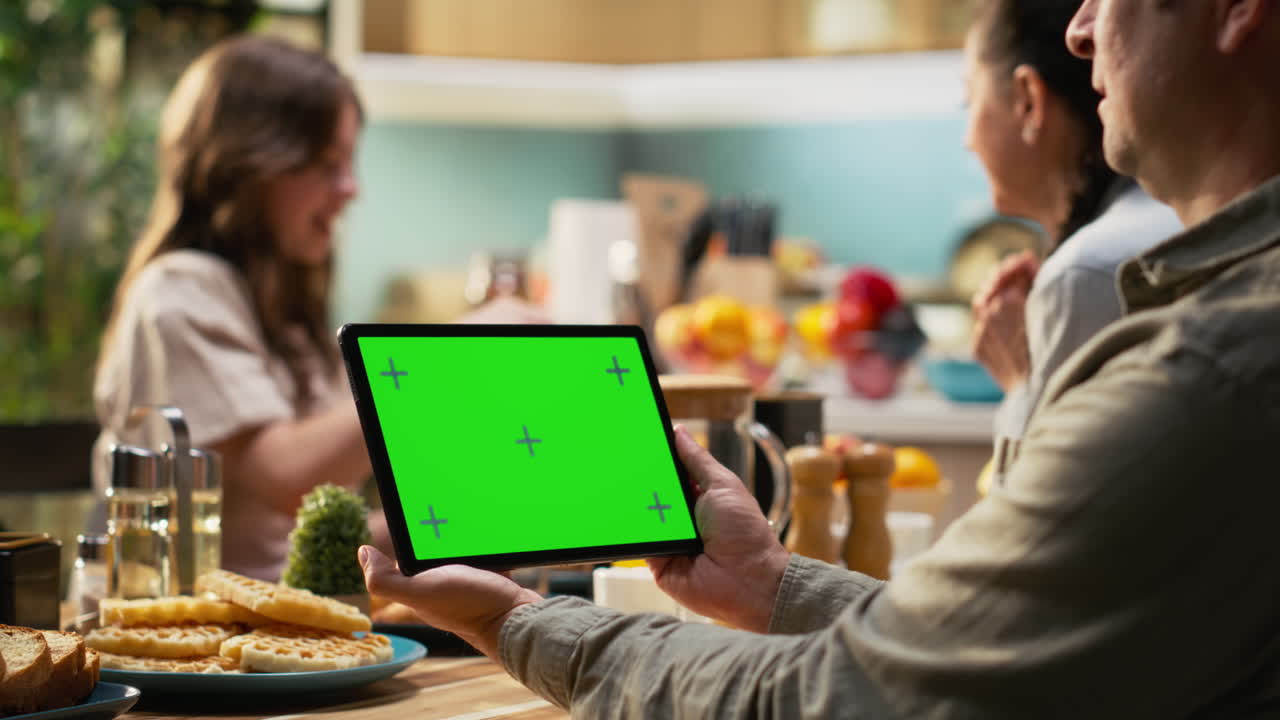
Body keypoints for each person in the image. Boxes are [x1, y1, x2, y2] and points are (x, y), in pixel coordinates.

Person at [361, 0, 1280, 716]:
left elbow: (845, 701)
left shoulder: (1210, 371)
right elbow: (1004, 650)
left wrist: (514, 620)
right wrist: (772, 584)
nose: (1079, 31)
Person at [93, 35, 543, 583]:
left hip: (290, 628)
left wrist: (472, 521)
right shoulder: (177, 295)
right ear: (249, 167)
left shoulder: (282, 313)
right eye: (327, 164)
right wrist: (447, 361)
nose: (351, 189)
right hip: (194, 646)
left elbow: (301, 543)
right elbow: (286, 478)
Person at [963, 0, 1181, 482]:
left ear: (1027, 101)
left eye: (969, 101)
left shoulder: (1090, 271)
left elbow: (1032, 542)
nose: (967, 139)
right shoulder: (1154, 227)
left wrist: (1021, 382)